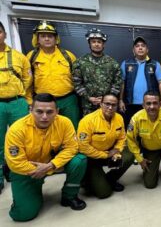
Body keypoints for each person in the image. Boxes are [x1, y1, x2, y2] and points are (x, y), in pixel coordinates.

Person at [5, 93, 87, 222]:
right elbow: (15, 163)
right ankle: (29, 194)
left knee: (79, 160)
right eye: (39, 111)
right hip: (27, 170)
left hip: (51, 164)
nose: (44, 117)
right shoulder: (17, 129)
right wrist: (41, 170)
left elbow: (72, 147)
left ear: (57, 111)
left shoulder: (64, 122)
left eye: (49, 112)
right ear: (30, 110)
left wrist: (51, 165)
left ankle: (69, 196)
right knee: (23, 215)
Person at [77, 94, 134, 199]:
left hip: (110, 152)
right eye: (107, 104)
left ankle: (109, 180)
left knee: (130, 153)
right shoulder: (88, 121)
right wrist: (105, 155)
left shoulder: (119, 118)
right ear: (101, 104)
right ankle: (88, 181)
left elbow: (122, 138)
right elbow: (83, 146)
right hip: (92, 158)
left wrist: (117, 150)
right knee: (104, 193)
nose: (110, 107)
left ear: (117, 106)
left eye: (114, 105)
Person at [27, 20, 79, 129]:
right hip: (42, 101)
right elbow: (28, 81)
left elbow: (78, 78)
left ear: (56, 38)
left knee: (71, 128)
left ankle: (72, 146)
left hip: (68, 100)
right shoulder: (31, 56)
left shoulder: (68, 56)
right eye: (43, 36)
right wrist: (30, 101)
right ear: (37, 39)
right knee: (45, 128)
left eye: (50, 36)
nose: (47, 39)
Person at [0, 21, 32, 193]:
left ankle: (20, 172)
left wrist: (25, 99)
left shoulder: (19, 57)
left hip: (18, 102)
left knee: (23, 139)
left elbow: (28, 79)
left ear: (4, 34)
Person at [73, 28, 122, 116]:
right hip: (88, 105)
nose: (96, 44)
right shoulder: (80, 62)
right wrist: (88, 97)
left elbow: (117, 83)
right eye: (93, 42)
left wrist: (106, 99)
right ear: (90, 44)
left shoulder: (112, 63)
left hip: (107, 106)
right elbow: (77, 83)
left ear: (103, 45)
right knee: (88, 128)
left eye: (99, 42)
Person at [119, 36, 161, 128]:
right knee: (131, 129)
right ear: (133, 50)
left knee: (148, 129)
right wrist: (120, 100)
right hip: (130, 104)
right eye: (137, 46)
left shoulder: (155, 64)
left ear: (147, 49)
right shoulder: (126, 63)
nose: (140, 48)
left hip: (150, 104)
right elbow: (122, 83)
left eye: (143, 46)